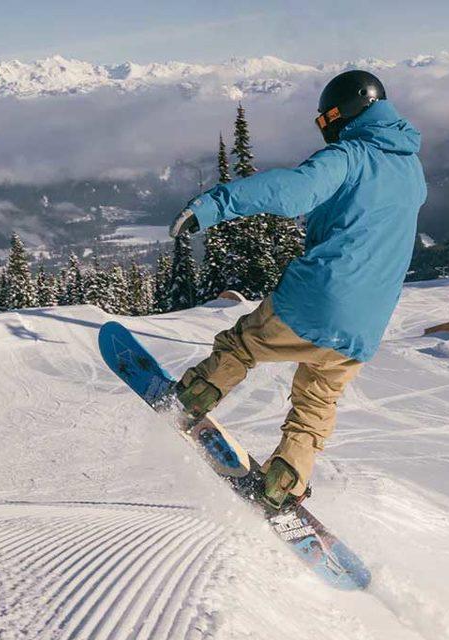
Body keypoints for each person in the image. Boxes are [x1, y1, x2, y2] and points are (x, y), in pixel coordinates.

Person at [165, 70, 427, 509]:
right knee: (317, 399)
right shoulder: (411, 168)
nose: (326, 131)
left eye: (327, 121)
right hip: (367, 324)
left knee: (244, 344)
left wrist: (211, 206)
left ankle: (194, 396)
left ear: (342, 114)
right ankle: (285, 480)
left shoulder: (350, 156)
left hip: (320, 298)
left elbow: (293, 191)